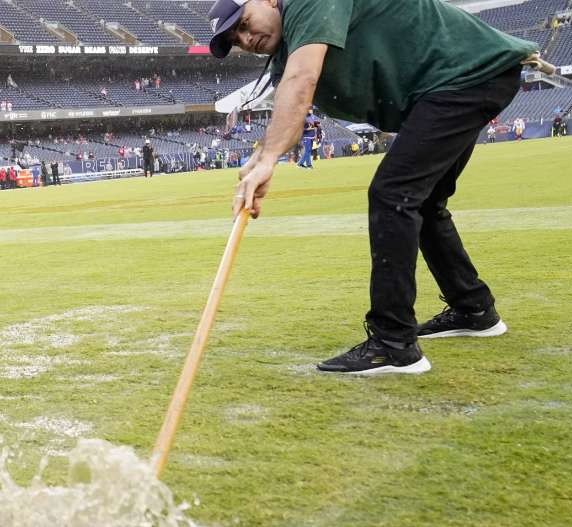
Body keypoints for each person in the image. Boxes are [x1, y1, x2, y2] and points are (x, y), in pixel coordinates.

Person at [214, 0, 533, 374]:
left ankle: (393, 343)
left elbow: (304, 79)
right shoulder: (288, 51)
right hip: (457, 83)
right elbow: (291, 103)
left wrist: (268, 161)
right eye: (236, 38)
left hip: (466, 75)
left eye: (245, 23)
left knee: (393, 194)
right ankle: (473, 308)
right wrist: (259, 161)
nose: (246, 39)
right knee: (423, 201)